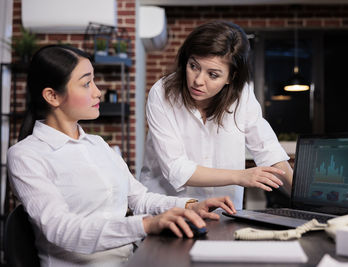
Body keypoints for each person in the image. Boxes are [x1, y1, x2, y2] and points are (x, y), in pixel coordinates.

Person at [6, 45, 236, 267]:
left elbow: (140, 199)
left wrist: (191, 206)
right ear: (52, 96)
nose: (98, 91)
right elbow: (61, 229)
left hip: (133, 259)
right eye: (86, 83)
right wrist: (146, 225)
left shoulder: (98, 145)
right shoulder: (26, 156)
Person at [139, 20, 293, 209]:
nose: (198, 81)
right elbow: (176, 169)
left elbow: (267, 149)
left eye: (212, 75)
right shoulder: (162, 93)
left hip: (224, 211)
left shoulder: (241, 95)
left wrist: (308, 201)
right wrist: (240, 176)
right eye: (194, 66)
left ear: (231, 77)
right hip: (169, 208)